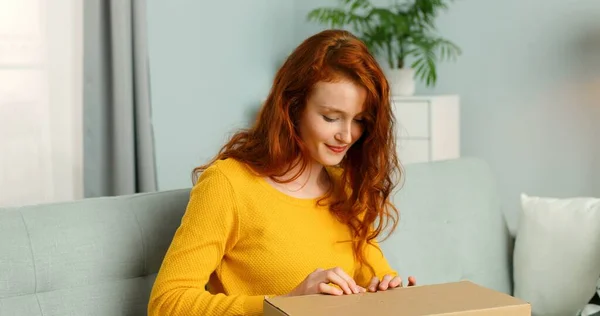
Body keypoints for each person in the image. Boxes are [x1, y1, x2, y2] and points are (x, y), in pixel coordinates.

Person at [148, 29, 416, 316]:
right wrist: (283, 305)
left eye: (360, 120)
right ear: (293, 107)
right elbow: (166, 303)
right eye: (331, 118)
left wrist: (389, 294)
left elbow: (373, 283)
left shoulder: (346, 189)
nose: (347, 135)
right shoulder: (228, 184)